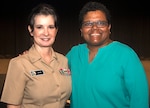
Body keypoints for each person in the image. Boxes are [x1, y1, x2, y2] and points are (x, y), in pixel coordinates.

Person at [66, 1, 149, 108]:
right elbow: (54, 76)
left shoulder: (126, 55)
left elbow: (140, 100)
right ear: (81, 30)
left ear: (109, 27)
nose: (94, 28)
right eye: (88, 24)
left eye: (101, 23)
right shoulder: (74, 54)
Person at [1, 3, 71, 108]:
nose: (46, 33)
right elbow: (13, 106)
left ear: (56, 30)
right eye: (39, 27)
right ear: (31, 30)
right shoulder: (19, 64)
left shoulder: (63, 61)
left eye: (51, 27)